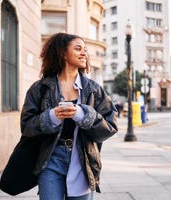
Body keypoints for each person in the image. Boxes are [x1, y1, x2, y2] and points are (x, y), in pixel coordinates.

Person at [20, 32, 118, 200]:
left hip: (83, 161)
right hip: (50, 160)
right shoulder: (40, 88)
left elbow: (111, 125)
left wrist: (82, 114)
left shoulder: (93, 89)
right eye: (78, 49)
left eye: (85, 50)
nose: (84, 54)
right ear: (62, 53)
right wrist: (51, 116)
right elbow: (26, 126)